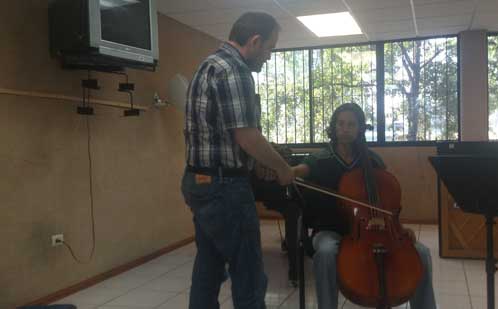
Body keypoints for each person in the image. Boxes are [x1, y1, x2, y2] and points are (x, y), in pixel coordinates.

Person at [181, 12, 293, 309]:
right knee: (250, 278)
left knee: (208, 269)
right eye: (270, 48)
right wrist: (283, 168)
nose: (269, 57)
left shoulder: (208, 65)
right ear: (255, 42)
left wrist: (256, 162)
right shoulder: (235, 69)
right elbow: (247, 136)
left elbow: (221, 135)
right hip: (224, 188)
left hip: (198, 182)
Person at [292, 103, 436, 309]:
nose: (345, 128)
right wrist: (290, 171)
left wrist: (400, 229)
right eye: (340, 123)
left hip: (374, 231)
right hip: (329, 229)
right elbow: (302, 169)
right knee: (325, 252)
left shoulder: (372, 161)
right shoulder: (320, 158)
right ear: (333, 127)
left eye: (351, 124)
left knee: (420, 253)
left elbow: (388, 204)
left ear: (360, 128)